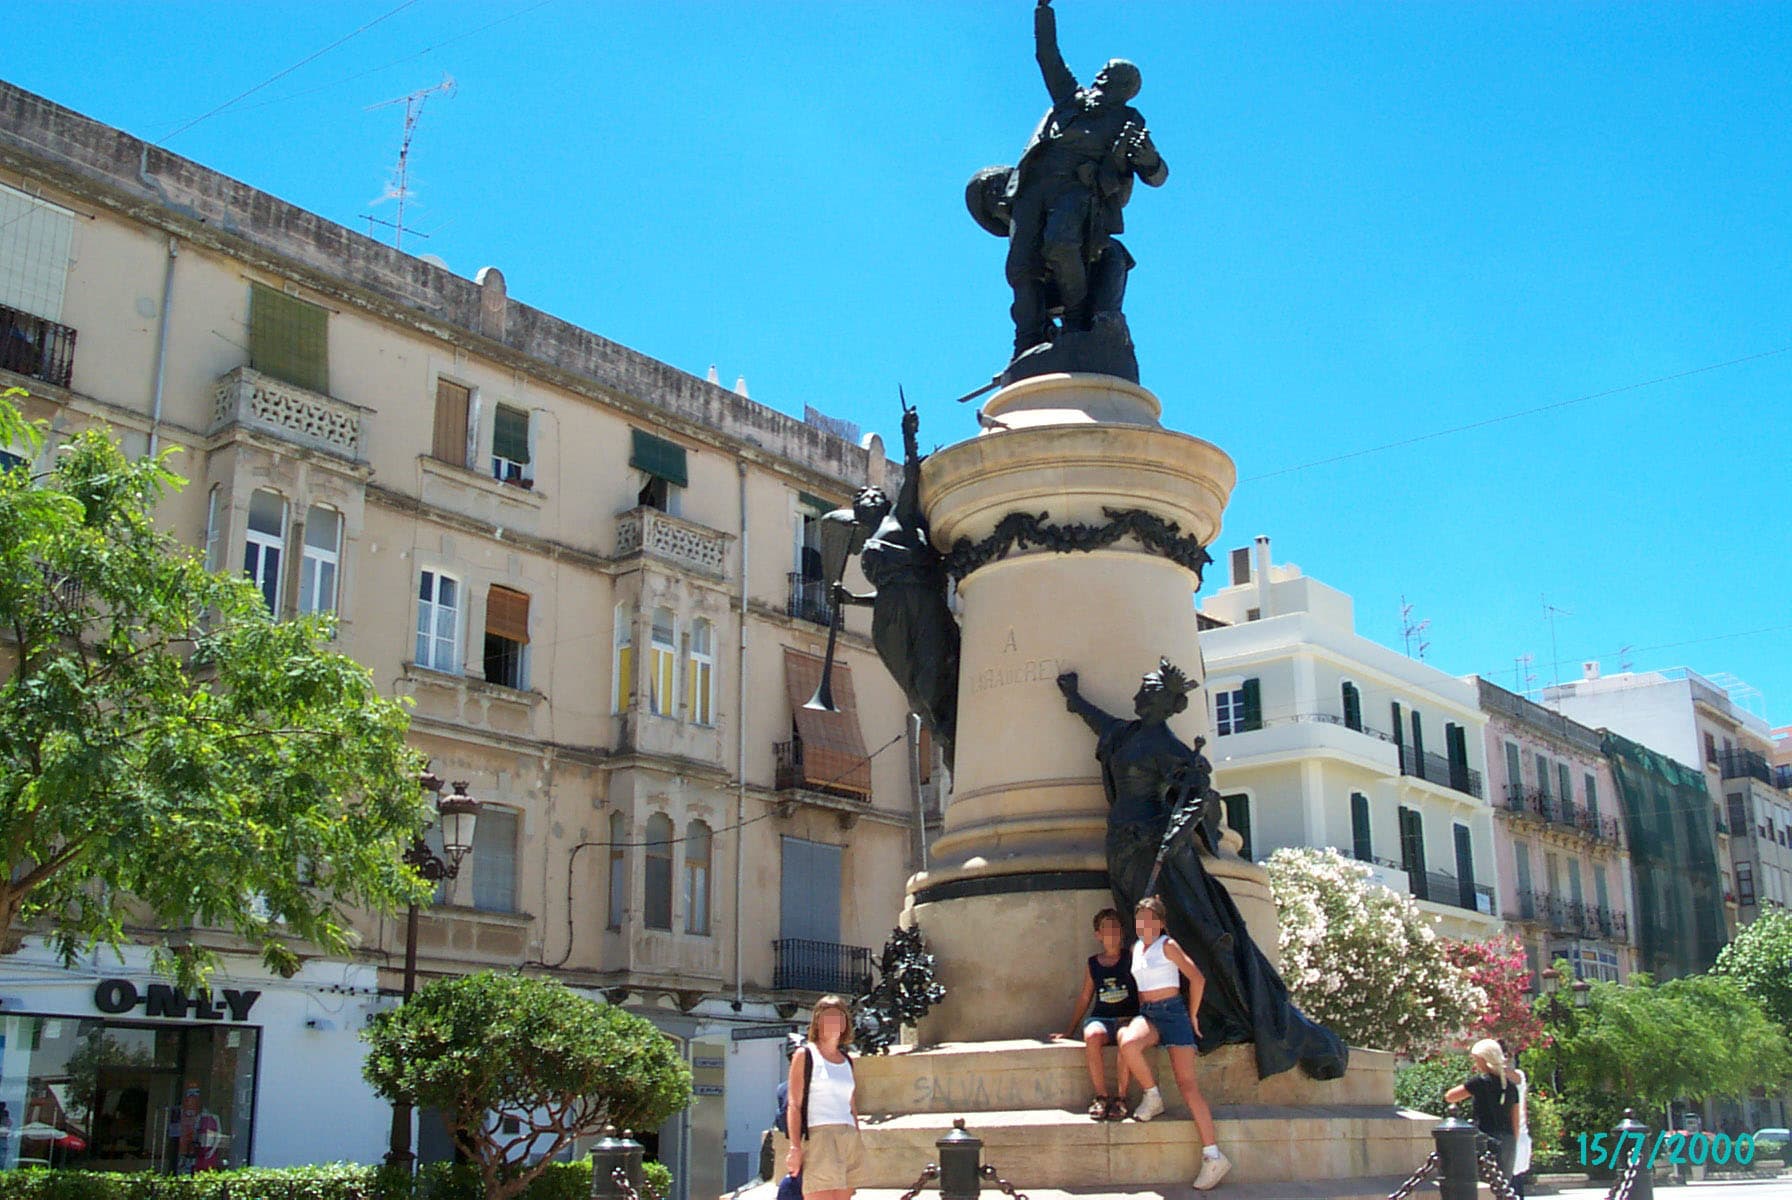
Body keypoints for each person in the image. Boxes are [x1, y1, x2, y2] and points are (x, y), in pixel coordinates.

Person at [1056, 660, 1348, 1081]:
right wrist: (1073, 695)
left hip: (1157, 847)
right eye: (1141, 690)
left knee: (1189, 928)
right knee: (1137, 924)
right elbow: (1096, 720)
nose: (1139, 697)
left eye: (1149, 693)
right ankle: (1154, 1006)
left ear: (1165, 704)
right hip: (1121, 843)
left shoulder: (1171, 748)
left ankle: (1217, 1011)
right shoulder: (1126, 733)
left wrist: (1183, 824)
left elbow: (1199, 800)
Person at [1002, 0, 1167, 358]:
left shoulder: (1129, 120)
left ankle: (1077, 323)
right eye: (1102, 71)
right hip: (1034, 188)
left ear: (1123, 87)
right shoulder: (1069, 98)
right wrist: (1043, 10)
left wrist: (1148, 158)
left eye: (1110, 74)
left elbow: (1158, 175)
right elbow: (1047, 55)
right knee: (1020, 264)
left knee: (1061, 246)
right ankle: (1027, 341)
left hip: (1077, 192)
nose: (1100, 76)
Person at [831, 405, 959, 771]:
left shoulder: (898, 518)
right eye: (860, 499)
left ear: (884, 502)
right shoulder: (870, 542)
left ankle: (952, 738)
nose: (866, 498)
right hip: (889, 619)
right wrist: (853, 598)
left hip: (922, 608)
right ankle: (944, 736)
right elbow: (887, 592)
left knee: (932, 678)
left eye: (873, 495)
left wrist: (909, 436)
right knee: (915, 692)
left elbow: (912, 476)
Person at [1119, 897, 1230, 1190]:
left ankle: (1213, 1155)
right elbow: (1142, 989)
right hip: (1150, 1014)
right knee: (1129, 1043)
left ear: (1160, 922)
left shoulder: (1167, 945)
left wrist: (1192, 1015)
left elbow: (1197, 978)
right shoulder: (1135, 949)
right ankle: (1152, 1096)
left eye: (1150, 919)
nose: (1144, 924)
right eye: (1140, 919)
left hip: (1174, 1013)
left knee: (1188, 1085)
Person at [1050, 907, 1138, 1120]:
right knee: (1091, 1035)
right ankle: (1101, 1096)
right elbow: (1084, 997)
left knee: (1126, 1039)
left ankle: (1121, 1098)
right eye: (1105, 929)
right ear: (1098, 935)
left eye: (1115, 928)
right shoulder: (1093, 963)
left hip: (1127, 1018)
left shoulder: (1132, 956)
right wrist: (1069, 1030)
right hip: (1103, 1018)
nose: (1111, 933)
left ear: (1123, 932)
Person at [785, 995, 866, 1200]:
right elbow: (794, 1104)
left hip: (848, 1139)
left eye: (838, 1017)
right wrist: (795, 1148)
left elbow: (851, 1104)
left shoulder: (847, 1060)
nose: (833, 1022)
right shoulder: (805, 1055)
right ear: (817, 1022)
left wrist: (857, 1136)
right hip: (821, 1137)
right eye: (827, 1016)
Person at [1444, 1039, 1520, 1183]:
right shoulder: (1511, 1087)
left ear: (1483, 1060)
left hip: (1485, 1141)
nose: (1475, 1064)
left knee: (1484, 1189)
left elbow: (1450, 1097)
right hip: (1508, 1143)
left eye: (1476, 1059)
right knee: (1502, 1188)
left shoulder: (1479, 1082)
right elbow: (1515, 1122)